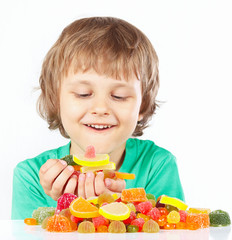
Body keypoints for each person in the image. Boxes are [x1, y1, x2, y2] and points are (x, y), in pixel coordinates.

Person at [11, 17, 184, 219]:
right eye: (83, 94)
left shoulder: (157, 165)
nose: (101, 108)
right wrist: (71, 210)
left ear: (142, 106)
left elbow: (173, 229)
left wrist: (120, 208)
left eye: (118, 96)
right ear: (55, 100)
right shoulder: (30, 176)